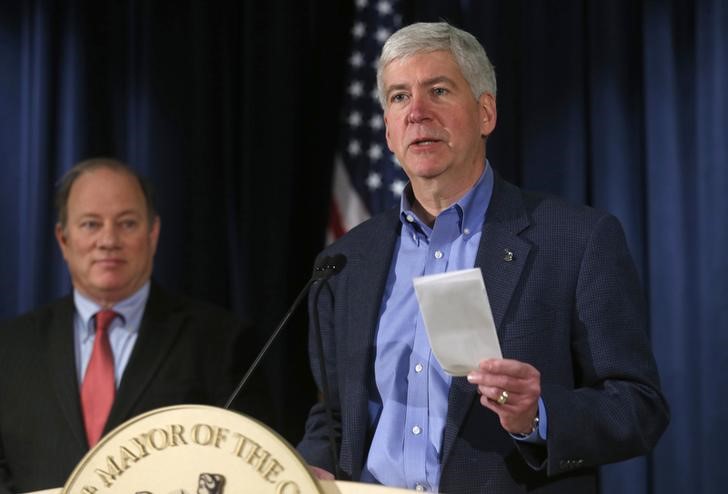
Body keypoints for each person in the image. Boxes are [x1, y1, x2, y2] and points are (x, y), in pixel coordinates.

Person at [297, 22, 669, 493]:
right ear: (387, 132)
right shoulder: (346, 260)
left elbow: (638, 406)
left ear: (485, 113)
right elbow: (334, 414)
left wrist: (538, 414)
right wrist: (313, 466)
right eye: (398, 97)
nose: (417, 113)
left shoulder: (577, 239)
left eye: (438, 90)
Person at [0, 158, 260, 493]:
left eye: (127, 223)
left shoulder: (222, 342)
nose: (108, 240)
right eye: (91, 224)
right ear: (63, 239)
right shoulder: (10, 347)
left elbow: (245, 467)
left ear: (153, 233)